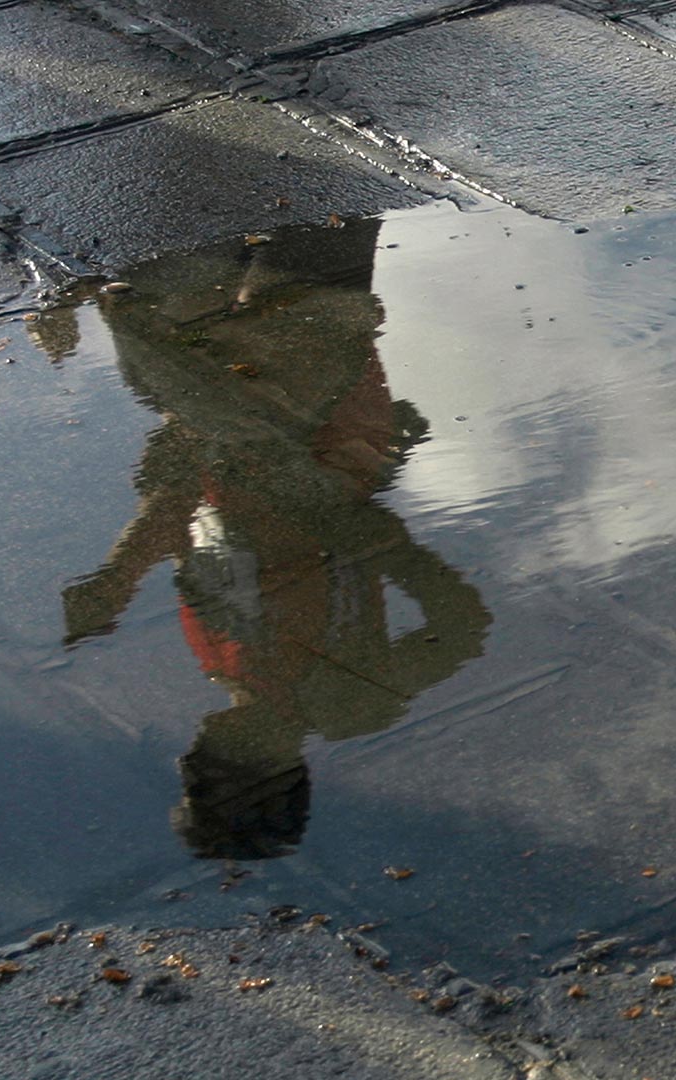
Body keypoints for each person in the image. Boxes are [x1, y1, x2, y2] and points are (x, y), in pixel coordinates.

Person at [58, 220, 491, 860]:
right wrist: (363, 534)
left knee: (166, 287)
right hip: (313, 429)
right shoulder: (348, 705)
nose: (191, 759)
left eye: (191, 777)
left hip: (227, 427)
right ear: (268, 773)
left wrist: (117, 578)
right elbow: (462, 624)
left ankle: (242, 208)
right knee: (305, 247)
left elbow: (188, 513)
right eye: (207, 779)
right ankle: (326, 197)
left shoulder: (216, 657)